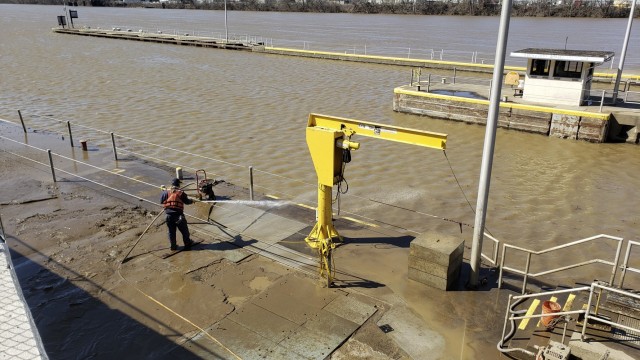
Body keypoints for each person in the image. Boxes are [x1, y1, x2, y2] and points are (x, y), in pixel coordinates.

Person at [160, 178, 195, 251]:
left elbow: (161, 201)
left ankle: (173, 246)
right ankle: (187, 244)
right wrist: (192, 201)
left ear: (171, 184)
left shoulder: (165, 192)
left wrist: (164, 192)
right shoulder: (181, 193)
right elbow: (187, 202)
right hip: (179, 216)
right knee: (184, 231)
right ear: (178, 184)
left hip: (168, 216)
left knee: (171, 232)